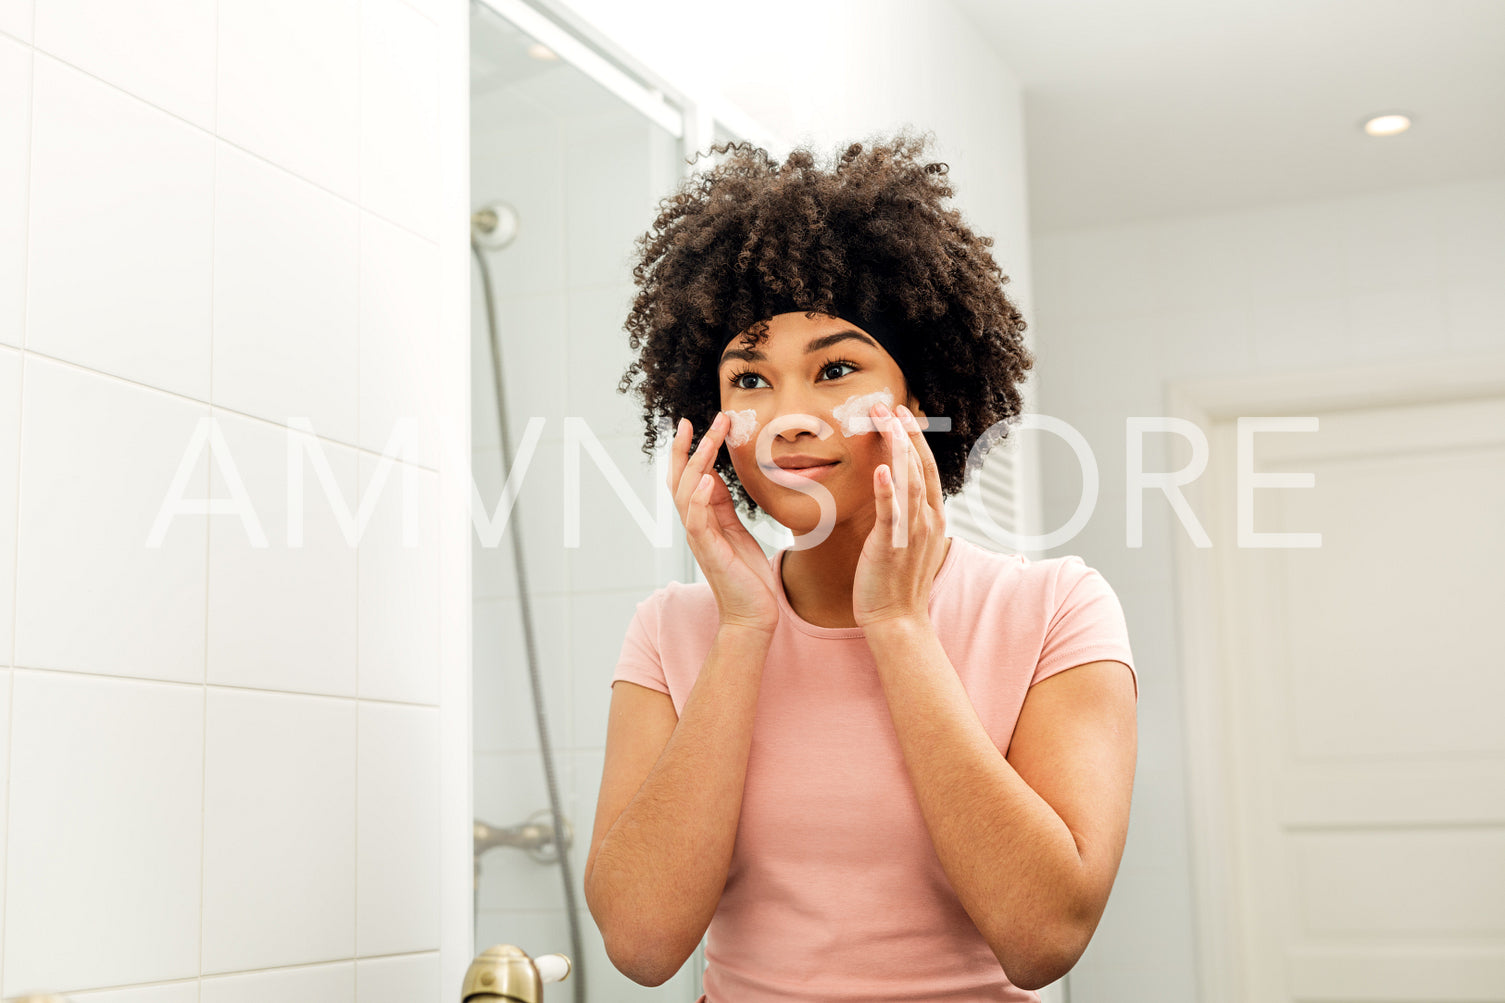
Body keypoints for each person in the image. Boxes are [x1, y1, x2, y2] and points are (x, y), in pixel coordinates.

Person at [582, 133, 1138, 1002]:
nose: (787, 419)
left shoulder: (1053, 609)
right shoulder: (673, 630)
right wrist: (742, 630)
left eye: (836, 369)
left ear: (925, 397)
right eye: (750, 379)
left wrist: (899, 628)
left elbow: (1043, 938)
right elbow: (643, 945)